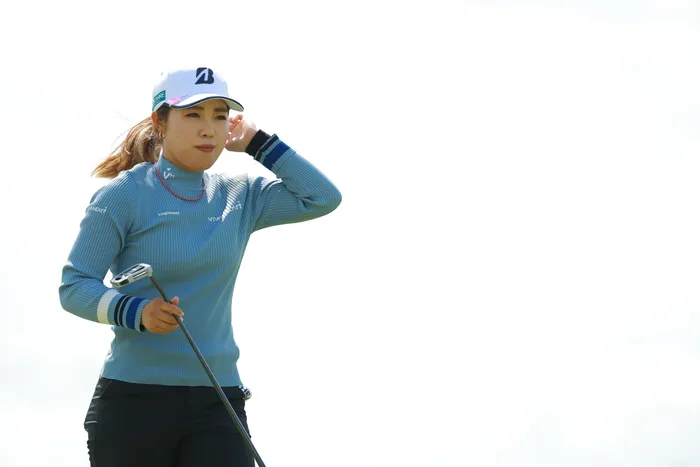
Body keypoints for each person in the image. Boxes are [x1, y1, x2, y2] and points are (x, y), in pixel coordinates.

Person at [58, 66, 342, 467]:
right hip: (134, 402)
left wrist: (259, 143)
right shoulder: (125, 194)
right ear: (160, 121)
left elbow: (322, 197)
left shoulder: (241, 196)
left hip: (218, 399)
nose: (209, 129)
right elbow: (74, 286)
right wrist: (137, 312)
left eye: (219, 116)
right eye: (193, 114)